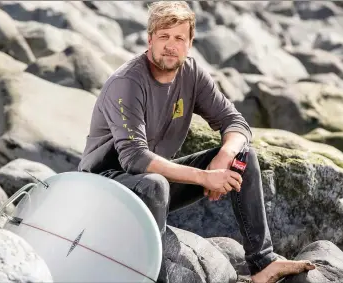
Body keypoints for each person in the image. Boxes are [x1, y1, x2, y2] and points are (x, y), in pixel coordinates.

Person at [78, 1, 315, 282]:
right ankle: (154, 276)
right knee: (155, 183)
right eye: (163, 36)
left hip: (153, 187)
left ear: (190, 43)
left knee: (243, 156)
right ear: (150, 39)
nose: (171, 45)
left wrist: (224, 157)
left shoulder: (191, 74)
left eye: (179, 38)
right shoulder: (128, 83)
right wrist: (205, 177)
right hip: (105, 189)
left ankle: (262, 262)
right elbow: (135, 158)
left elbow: (236, 123)